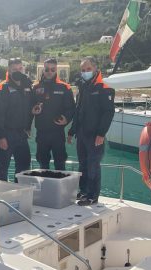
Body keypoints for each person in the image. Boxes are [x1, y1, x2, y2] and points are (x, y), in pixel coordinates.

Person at [67, 56, 115, 206]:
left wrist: (101, 134)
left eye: (88, 69)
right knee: (83, 164)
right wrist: (71, 131)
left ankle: (93, 196)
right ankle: (83, 191)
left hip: (95, 135)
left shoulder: (104, 86)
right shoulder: (83, 86)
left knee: (93, 165)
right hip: (82, 133)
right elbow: (78, 110)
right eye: (83, 70)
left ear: (95, 68)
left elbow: (108, 112)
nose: (85, 72)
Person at [32, 58, 75, 170]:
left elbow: (71, 108)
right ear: (43, 70)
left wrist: (66, 119)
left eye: (52, 69)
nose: (49, 72)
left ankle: (60, 187)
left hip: (58, 133)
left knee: (60, 164)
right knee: (42, 164)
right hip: (41, 133)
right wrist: (33, 109)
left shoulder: (65, 87)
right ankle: (45, 187)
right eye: (47, 69)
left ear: (56, 70)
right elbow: (30, 106)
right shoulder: (36, 87)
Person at [0, 58, 33, 181]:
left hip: (22, 134)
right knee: (3, 166)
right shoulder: (3, 88)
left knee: (24, 166)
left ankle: (19, 194)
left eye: (20, 69)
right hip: (6, 133)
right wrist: (1, 137)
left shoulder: (27, 87)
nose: (18, 71)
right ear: (9, 71)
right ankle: (1, 196)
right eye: (14, 69)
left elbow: (29, 108)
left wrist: (28, 127)